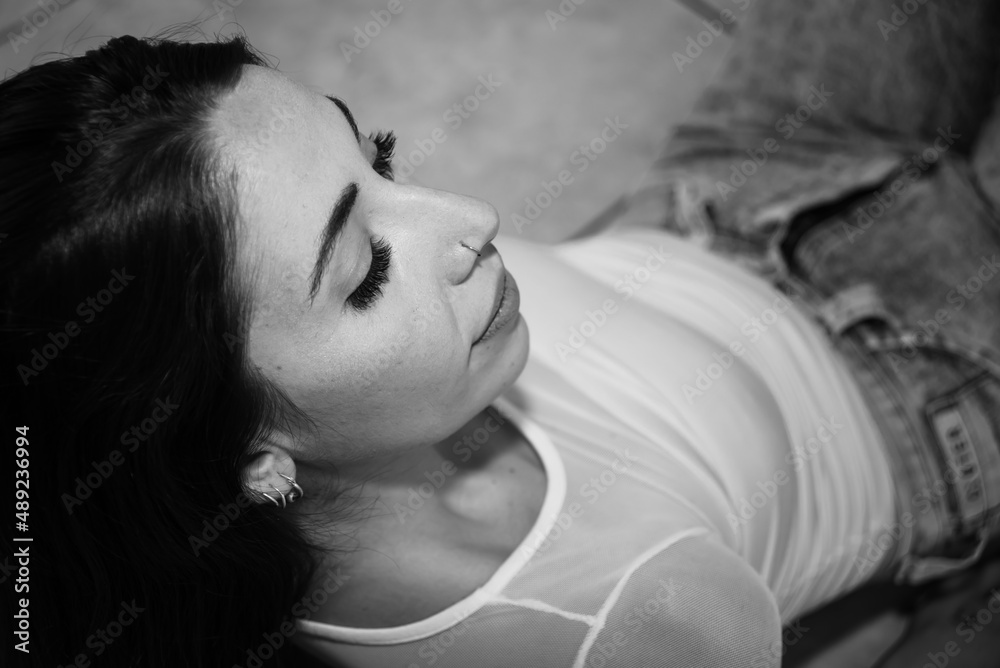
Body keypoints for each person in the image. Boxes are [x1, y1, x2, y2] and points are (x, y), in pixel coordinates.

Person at [2, 1, 1000, 666]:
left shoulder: (375, 391)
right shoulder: (611, 632)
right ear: (246, 453)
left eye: (378, 160)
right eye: (366, 268)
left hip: (727, 194)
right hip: (939, 391)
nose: (468, 215)